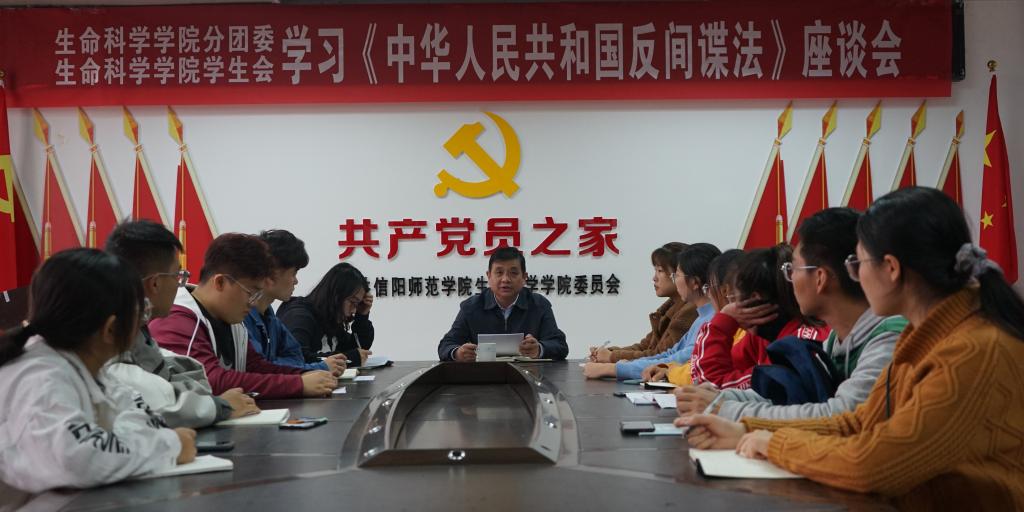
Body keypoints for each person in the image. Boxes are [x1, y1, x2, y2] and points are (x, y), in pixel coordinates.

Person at [680, 187, 1024, 509]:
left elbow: (873, 463)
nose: (854, 276)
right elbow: (858, 422)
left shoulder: (972, 349)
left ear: (890, 269)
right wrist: (746, 430)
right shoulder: (925, 336)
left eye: (858, 264)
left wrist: (774, 444)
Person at [676, 209, 905, 420]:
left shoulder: (888, 339)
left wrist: (723, 408)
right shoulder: (835, 341)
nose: (789, 280)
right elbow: (786, 395)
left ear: (820, 278)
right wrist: (718, 398)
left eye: (792, 269)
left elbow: (841, 416)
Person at [0, 249, 194, 494]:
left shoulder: (88, 368)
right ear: (111, 329)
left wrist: (161, 441)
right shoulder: (40, 378)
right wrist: (169, 447)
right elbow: (76, 460)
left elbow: (146, 422)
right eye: (141, 313)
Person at [104, 220, 259, 428]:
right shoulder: (108, 333)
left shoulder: (138, 328)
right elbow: (153, 405)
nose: (180, 284)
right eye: (177, 275)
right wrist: (220, 406)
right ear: (155, 283)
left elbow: (174, 379)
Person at [149, 234, 336, 398]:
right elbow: (210, 381)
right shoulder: (177, 318)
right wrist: (298, 384)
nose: (253, 302)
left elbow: (256, 367)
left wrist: (305, 375)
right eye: (250, 293)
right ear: (220, 282)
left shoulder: (233, 321)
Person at [688, 244, 829, 389]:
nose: (732, 306)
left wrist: (723, 323)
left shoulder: (799, 347)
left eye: (733, 298)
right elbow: (700, 380)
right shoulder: (761, 337)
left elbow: (711, 386)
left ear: (754, 298)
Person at [583, 244, 720, 379]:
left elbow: (679, 360)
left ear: (694, 282)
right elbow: (669, 355)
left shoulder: (710, 319)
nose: (655, 278)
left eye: (677, 275)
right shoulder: (701, 316)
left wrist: (613, 368)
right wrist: (622, 364)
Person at [243, 230, 346, 376]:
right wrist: (320, 367)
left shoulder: (269, 316)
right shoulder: (241, 318)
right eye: (293, 273)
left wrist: (276, 364)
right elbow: (259, 369)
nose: (296, 281)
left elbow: (296, 357)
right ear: (272, 274)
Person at [439, 247, 568, 361]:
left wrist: (539, 349)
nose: (505, 279)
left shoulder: (539, 305)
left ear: (524, 277)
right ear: (489, 276)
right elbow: (446, 345)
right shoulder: (471, 307)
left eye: (513, 273)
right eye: (499, 272)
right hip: (483, 376)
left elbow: (560, 345)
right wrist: (458, 353)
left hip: (528, 376)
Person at [648, 249, 745, 385]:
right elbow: (693, 363)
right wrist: (669, 370)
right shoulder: (700, 317)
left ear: (725, 291)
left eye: (709, 288)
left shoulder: (719, 322)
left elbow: (705, 372)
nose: (709, 295)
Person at [589, 242, 698, 363]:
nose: (654, 278)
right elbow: (645, 346)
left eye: (660, 270)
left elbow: (660, 356)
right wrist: (609, 352)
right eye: (655, 270)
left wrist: (611, 356)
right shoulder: (669, 309)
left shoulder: (690, 311)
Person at [278, 262, 374, 367]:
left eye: (357, 304)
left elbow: (357, 349)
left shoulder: (330, 318)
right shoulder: (299, 316)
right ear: (336, 296)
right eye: (353, 302)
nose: (354, 310)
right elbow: (297, 359)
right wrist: (349, 358)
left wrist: (362, 317)